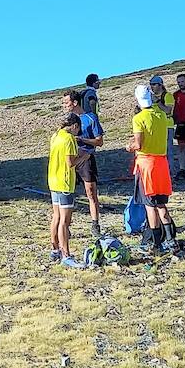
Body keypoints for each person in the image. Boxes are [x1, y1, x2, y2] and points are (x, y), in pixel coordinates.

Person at [128, 84, 176, 253]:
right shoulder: (162, 115)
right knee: (161, 204)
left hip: (146, 165)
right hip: (162, 164)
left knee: (150, 206)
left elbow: (139, 144)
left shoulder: (139, 119)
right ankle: (171, 239)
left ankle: (156, 243)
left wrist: (130, 146)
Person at [48, 113, 93, 268]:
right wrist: (84, 157)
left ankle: (55, 249)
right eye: (78, 129)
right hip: (65, 182)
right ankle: (66, 255)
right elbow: (70, 163)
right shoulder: (69, 139)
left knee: (56, 216)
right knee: (64, 221)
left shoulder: (55, 136)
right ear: (74, 126)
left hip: (53, 180)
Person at [66, 90, 105, 237]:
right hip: (70, 157)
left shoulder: (90, 118)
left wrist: (82, 140)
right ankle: (66, 225)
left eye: (66, 102)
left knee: (91, 192)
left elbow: (99, 141)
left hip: (86, 158)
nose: (64, 105)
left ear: (75, 103)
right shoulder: (68, 119)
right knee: (68, 192)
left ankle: (95, 224)